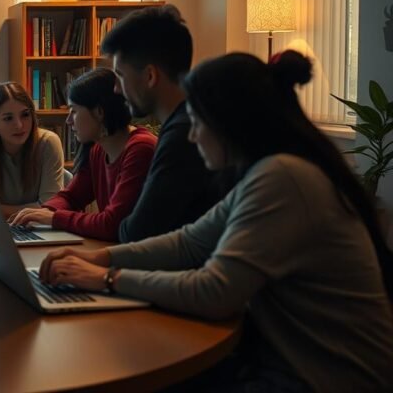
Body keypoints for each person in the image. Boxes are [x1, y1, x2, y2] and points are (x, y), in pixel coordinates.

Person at [38, 52, 393, 392]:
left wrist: (106, 278)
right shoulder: (265, 173)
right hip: (289, 362)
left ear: (227, 124)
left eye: (197, 122)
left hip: (324, 377)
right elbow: (189, 242)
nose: (192, 136)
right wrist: (99, 258)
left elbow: (214, 292)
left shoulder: (282, 178)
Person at [100, 5, 226, 242]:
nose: (116, 88)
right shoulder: (194, 122)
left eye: (120, 75)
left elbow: (136, 233)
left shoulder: (183, 137)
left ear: (150, 76)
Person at [9, 68, 156, 241]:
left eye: (74, 111)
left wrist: (55, 218)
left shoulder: (141, 149)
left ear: (99, 112)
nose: (68, 121)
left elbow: (112, 224)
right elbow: (72, 197)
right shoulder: (98, 150)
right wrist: (43, 213)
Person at [0, 81, 64, 217]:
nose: (19, 125)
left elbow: (48, 207)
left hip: (42, 225)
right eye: (8, 118)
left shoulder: (48, 143)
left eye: (25, 115)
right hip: (1, 225)